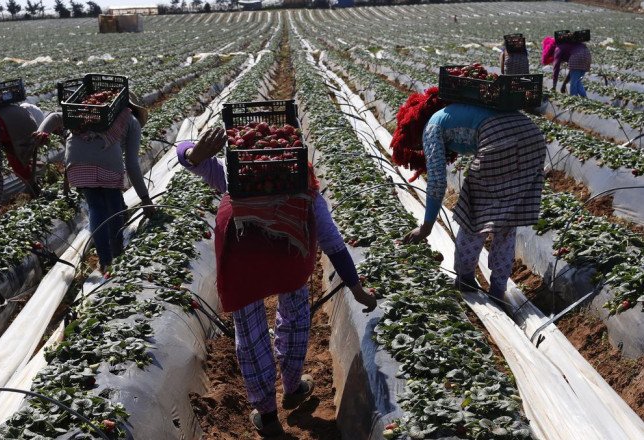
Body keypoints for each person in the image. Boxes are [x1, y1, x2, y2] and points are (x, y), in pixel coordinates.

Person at [176, 127, 377, 437]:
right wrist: (356, 288)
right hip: (290, 262)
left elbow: (187, 154)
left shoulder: (240, 180)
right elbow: (334, 244)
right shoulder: (306, 192)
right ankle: (293, 387)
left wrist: (193, 154)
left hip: (241, 264)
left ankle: (268, 416)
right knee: (296, 320)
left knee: (251, 336)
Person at [392, 87, 546, 302]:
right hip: (533, 137)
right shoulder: (455, 112)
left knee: (473, 212)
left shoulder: (432, 127)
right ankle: (498, 290)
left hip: (500, 138)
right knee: (507, 220)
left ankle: (464, 278)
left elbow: (436, 181)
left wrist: (426, 226)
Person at [33, 92, 154, 271]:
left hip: (77, 160)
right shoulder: (131, 121)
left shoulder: (86, 113)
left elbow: (55, 116)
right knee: (113, 208)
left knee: (96, 207)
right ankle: (117, 253)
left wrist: (42, 131)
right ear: (133, 109)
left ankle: (104, 261)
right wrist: (145, 198)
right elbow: (132, 164)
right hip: (109, 164)